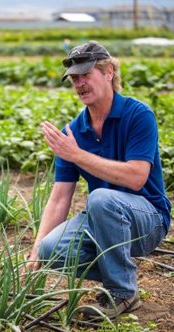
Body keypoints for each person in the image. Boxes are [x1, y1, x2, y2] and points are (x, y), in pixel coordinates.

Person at [27, 41, 171, 320]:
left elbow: (137, 177)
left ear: (108, 72)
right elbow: (59, 198)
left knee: (101, 198)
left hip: (149, 219)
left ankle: (122, 293)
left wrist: (78, 155)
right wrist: (36, 250)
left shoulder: (138, 114)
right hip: (101, 219)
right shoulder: (74, 131)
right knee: (50, 249)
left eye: (86, 74)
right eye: (74, 78)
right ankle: (119, 270)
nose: (79, 83)